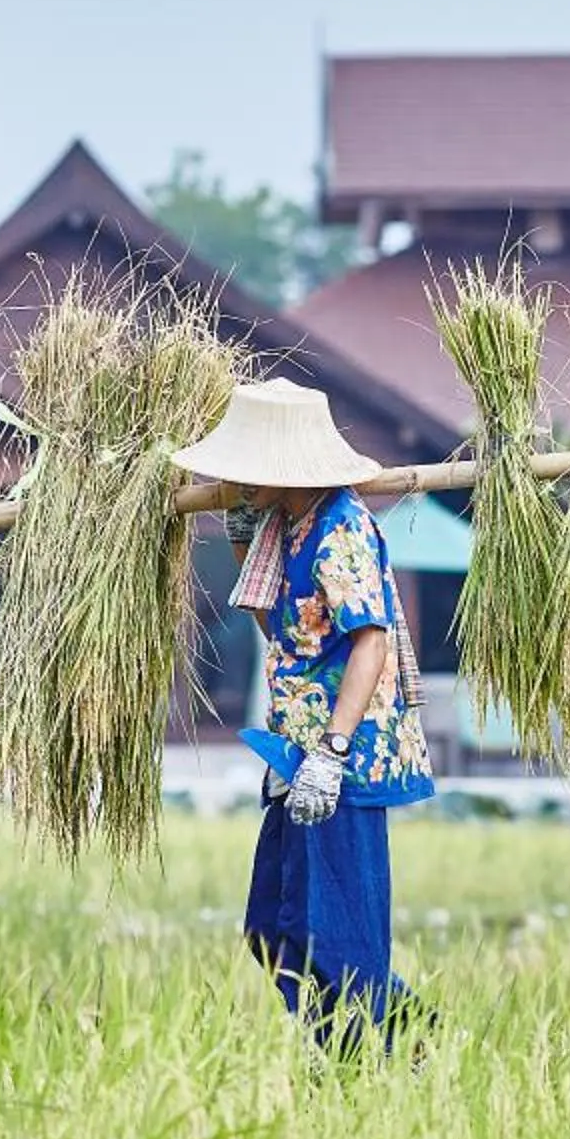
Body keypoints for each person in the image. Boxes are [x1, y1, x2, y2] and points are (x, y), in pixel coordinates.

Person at [173, 380, 435, 1052]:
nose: (233, 479)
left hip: (341, 760)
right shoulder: (284, 531)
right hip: (296, 750)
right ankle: (404, 1033)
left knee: (339, 933)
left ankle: (362, 1062)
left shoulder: (340, 530)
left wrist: (333, 752)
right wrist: (238, 532)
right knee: (275, 926)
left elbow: (369, 639)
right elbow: (287, 634)